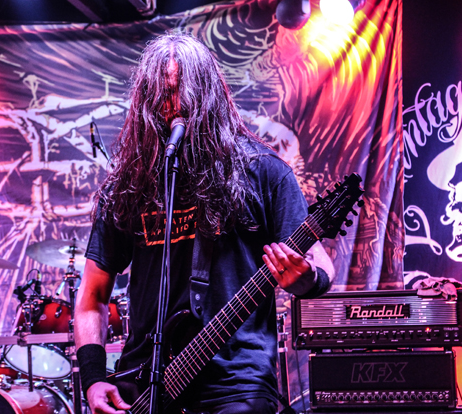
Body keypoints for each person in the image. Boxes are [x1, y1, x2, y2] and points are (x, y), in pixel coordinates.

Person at [75, 32, 335, 414]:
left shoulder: (263, 172)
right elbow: (92, 295)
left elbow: (320, 266)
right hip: (145, 383)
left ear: (208, 93)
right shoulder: (127, 185)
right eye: (162, 93)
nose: (173, 104)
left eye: (183, 91)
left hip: (236, 381)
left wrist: (306, 279)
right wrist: (94, 376)